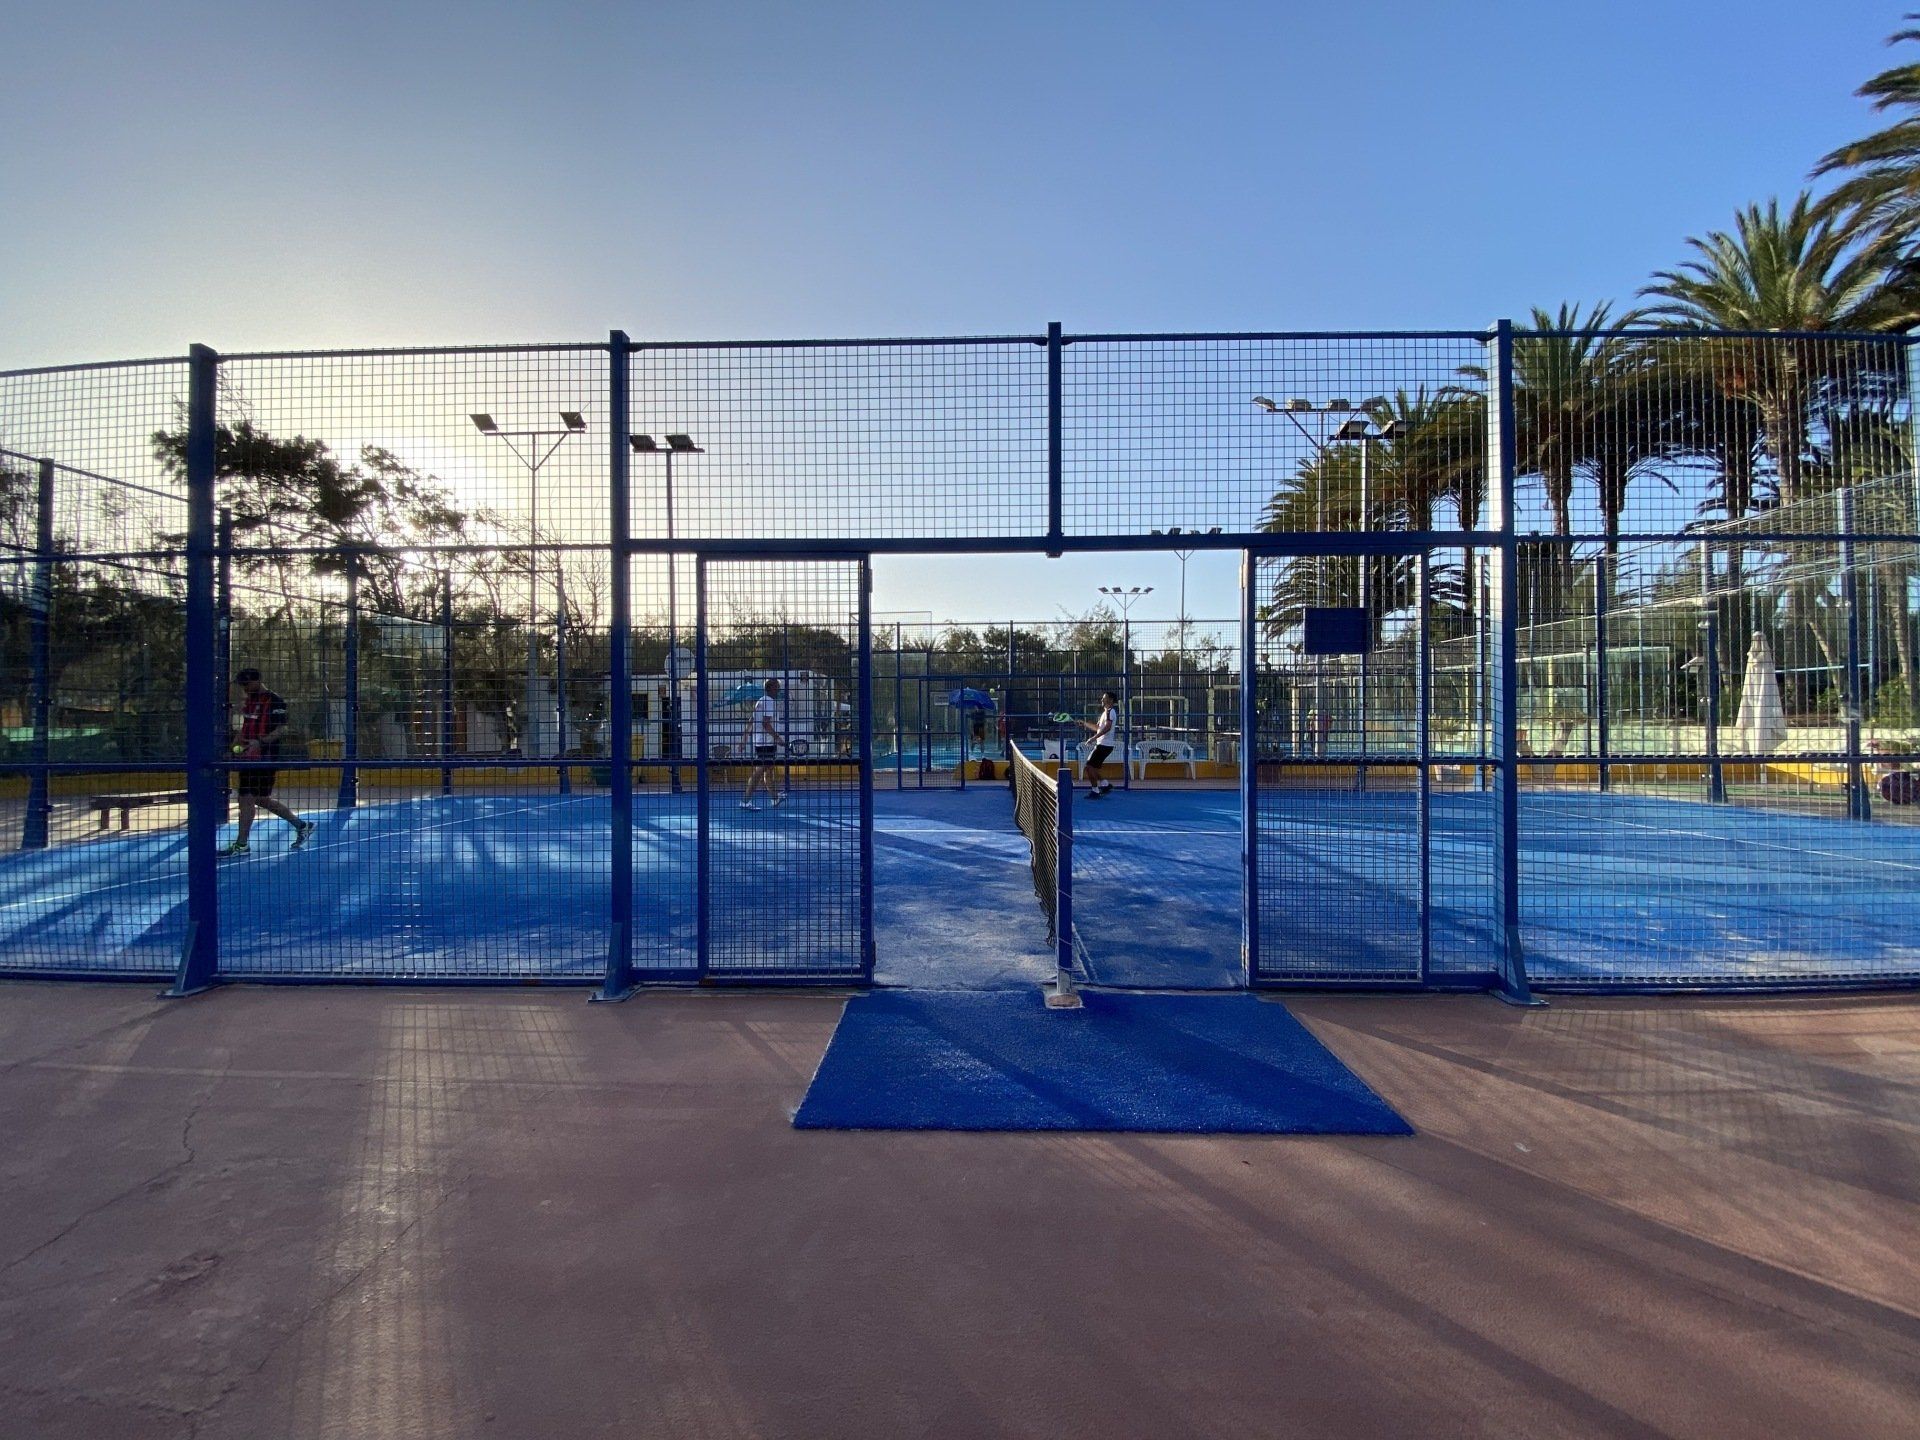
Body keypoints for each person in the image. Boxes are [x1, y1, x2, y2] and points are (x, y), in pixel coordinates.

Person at [220, 667, 316, 856]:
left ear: (257, 681)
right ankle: (301, 825)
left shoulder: (275, 701)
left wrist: (260, 742)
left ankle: (242, 844)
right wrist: (232, 748)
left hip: (265, 757)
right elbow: (245, 727)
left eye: (246, 684)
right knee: (260, 799)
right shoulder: (250, 701)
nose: (244, 688)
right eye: (242, 685)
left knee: (246, 798)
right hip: (248, 757)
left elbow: (281, 729)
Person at [741, 678, 788, 811]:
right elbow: (765, 724)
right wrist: (778, 738)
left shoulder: (761, 701)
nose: (779, 690)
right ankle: (745, 800)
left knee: (768, 770)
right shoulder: (769, 702)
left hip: (762, 741)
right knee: (759, 771)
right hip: (766, 742)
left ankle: (774, 798)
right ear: (772, 688)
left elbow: (752, 720)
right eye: (777, 687)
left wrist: (743, 740)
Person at [1076, 690, 1119, 799]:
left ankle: (1095, 791)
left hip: (1104, 745)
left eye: (1104, 698)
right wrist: (1084, 723)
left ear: (1110, 700)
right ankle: (1105, 785)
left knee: (1089, 767)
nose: (1102, 700)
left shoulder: (1110, 712)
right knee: (1092, 768)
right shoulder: (1105, 713)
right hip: (1103, 745)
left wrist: (1093, 738)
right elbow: (1097, 728)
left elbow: (1108, 727)